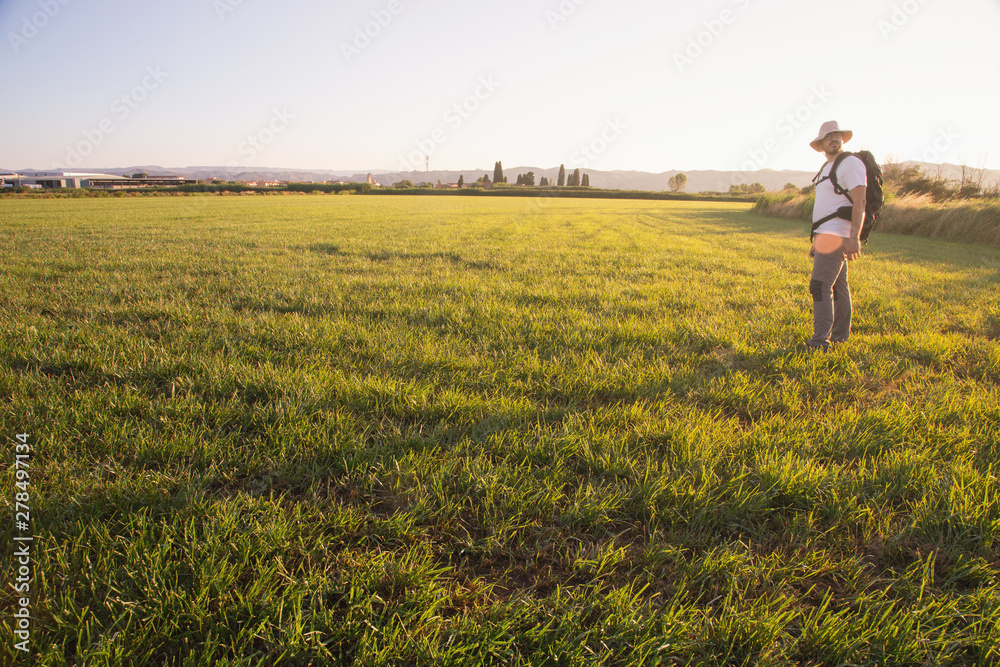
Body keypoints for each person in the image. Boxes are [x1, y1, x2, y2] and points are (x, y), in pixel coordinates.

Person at [807, 120, 867, 351]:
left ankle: (819, 342)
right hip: (826, 234)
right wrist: (816, 239)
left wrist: (855, 238)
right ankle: (840, 336)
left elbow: (859, 202)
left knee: (819, 285)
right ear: (821, 144)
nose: (834, 139)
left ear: (842, 139)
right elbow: (827, 204)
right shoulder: (826, 168)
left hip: (838, 234)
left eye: (837, 135)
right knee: (839, 286)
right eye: (828, 136)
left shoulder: (850, 162)